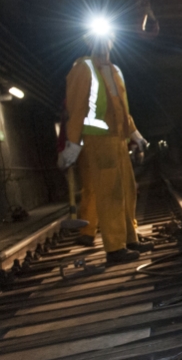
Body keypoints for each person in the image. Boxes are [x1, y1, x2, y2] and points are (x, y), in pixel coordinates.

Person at [57, 16, 153, 264]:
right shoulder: (83, 68)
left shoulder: (115, 70)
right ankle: (114, 247)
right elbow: (77, 109)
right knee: (110, 193)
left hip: (117, 140)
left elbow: (121, 108)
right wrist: (73, 144)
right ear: (90, 42)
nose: (105, 43)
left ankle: (129, 238)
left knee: (127, 191)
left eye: (107, 38)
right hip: (97, 141)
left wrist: (135, 134)